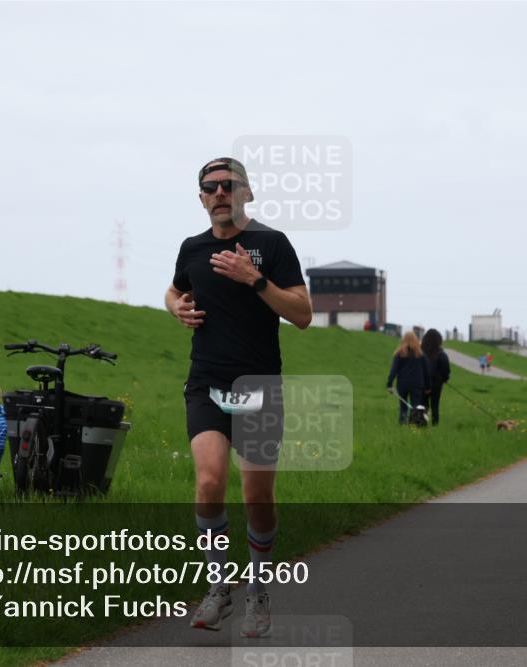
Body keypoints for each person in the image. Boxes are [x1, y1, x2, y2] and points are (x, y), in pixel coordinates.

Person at [165, 157, 311, 638]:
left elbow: (303, 314)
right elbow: (173, 290)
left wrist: (256, 280)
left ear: (246, 192)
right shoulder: (192, 247)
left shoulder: (271, 244)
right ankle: (218, 586)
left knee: (257, 496)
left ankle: (259, 590)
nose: (220, 193)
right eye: (211, 187)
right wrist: (177, 308)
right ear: (202, 198)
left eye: (229, 185)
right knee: (209, 483)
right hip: (206, 380)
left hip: (259, 386)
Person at [386, 332, 431, 425]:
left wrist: (389, 383)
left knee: (403, 406)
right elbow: (426, 372)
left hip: (402, 384)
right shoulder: (421, 354)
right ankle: (414, 424)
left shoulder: (399, 354)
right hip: (417, 384)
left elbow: (393, 370)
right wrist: (428, 386)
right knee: (416, 406)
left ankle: (402, 423)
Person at [421, 329, 451, 426]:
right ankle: (435, 425)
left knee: (422, 405)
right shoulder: (441, 354)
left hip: (422, 383)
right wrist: (445, 379)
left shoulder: (420, 353)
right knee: (435, 405)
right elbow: (446, 369)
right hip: (436, 384)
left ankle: (421, 425)